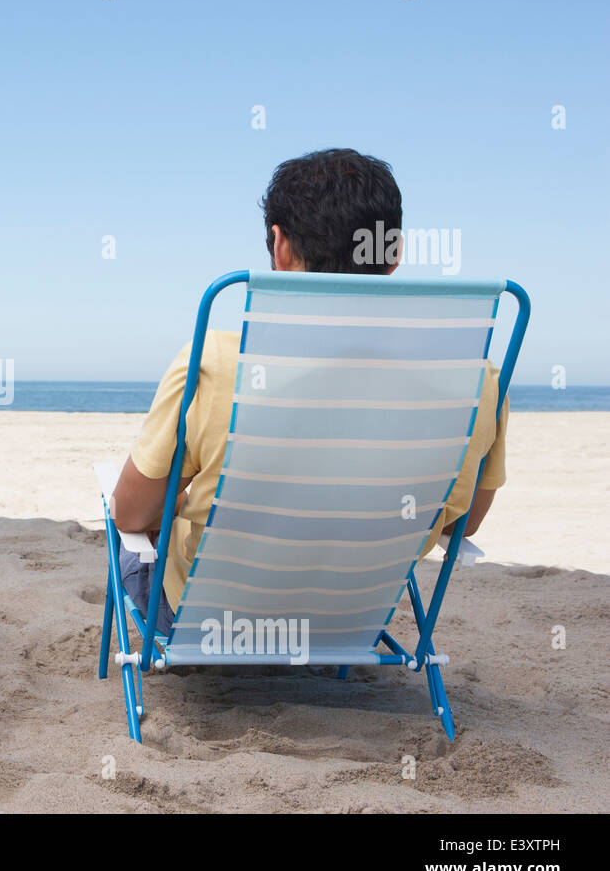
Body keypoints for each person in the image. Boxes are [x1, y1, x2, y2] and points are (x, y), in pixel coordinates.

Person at [110, 149, 508, 632]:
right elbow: (460, 525)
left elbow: (131, 514)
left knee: (128, 541)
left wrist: (171, 502)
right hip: (353, 618)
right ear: (395, 251)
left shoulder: (214, 363)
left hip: (208, 621)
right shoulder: (478, 381)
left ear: (279, 246)